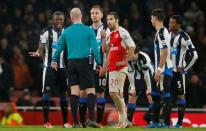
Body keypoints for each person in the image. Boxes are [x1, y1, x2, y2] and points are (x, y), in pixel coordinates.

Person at [51, 8, 101, 128]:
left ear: (71, 17)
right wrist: (99, 62)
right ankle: (91, 119)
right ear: (81, 16)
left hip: (71, 63)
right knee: (90, 91)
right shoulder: (88, 31)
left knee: (74, 92)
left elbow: (59, 48)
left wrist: (54, 60)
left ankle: (75, 122)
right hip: (84, 62)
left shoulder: (66, 32)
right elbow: (95, 48)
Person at [29, 11, 70, 128]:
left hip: (62, 68)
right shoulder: (46, 32)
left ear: (63, 21)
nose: (59, 22)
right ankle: (46, 122)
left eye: (61, 20)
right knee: (46, 92)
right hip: (49, 68)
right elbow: (41, 50)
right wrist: (37, 54)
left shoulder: (66, 33)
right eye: (57, 20)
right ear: (52, 20)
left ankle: (65, 122)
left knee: (64, 93)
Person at [101, 12, 136, 128]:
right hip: (112, 68)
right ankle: (123, 121)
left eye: (111, 19)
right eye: (107, 19)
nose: (108, 21)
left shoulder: (123, 32)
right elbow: (106, 51)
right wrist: (105, 67)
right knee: (118, 94)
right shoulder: (109, 33)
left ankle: (124, 120)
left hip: (120, 67)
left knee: (113, 93)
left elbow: (132, 46)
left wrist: (125, 61)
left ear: (116, 20)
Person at [78, 5, 110, 128]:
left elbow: (106, 50)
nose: (94, 15)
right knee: (83, 93)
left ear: (101, 15)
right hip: (87, 67)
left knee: (100, 93)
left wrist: (105, 67)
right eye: (92, 13)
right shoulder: (86, 30)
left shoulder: (106, 30)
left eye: (97, 13)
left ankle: (99, 122)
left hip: (100, 67)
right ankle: (83, 122)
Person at [169, 15, 198, 128]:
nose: (169, 24)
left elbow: (195, 55)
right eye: (169, 22)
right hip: (167, 71)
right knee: (165, 96)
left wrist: (185, 68)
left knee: (180, 97)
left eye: (172, 23)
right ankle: (163, 122)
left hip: (178, 73)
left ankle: (179, 123)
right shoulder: (167, 34)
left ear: (178, 24)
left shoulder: (184, 37)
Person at [149, 8, 173, 128]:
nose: (151, 19)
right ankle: (156, 122)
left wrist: (159, 69)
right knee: (157, 96)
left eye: (152, 17)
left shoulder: (162, 32)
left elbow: (164, 51)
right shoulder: (162, 32)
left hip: (163, 69)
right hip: (162, 68)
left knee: (166, 95)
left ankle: (166, 124)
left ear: (156, 18)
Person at [127, 48, 154, 126]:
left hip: (150, 76)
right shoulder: (129, 58)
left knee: (150, 97)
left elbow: (146, 74)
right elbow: (131, 73)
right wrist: (132, 87)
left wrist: (149, 88)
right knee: (131, 97)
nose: (131, 56)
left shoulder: (144, 58)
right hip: (139, 77)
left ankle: (151, 122)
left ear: (137, 53)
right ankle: (129, 123)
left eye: (132, 54)